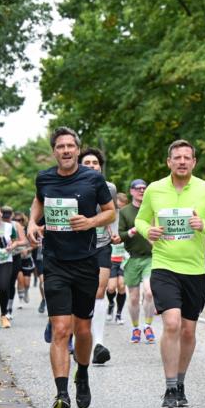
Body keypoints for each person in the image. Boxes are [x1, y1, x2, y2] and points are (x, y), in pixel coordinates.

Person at [135, 140, 205, 408]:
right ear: (169, 162)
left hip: (194, 271)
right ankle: (169, 387)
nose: (182, 161)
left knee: (188, 331)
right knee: (173, 324)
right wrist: (146, 231)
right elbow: (141, 220)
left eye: (187, 157)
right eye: (177, 157)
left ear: (194, 162)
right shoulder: (154, 190)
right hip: (164, 266)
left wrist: (204, 225)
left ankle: (180, 383)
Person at [27, 127, 115, 408]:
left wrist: (90, 222)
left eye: (70, 146)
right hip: (55, 262)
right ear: (54, 151)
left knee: (83, 329)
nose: (65, 150)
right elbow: (39, 200)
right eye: (60, 146)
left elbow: (110, 211)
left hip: (86, 262)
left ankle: (83, 373)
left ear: (78, 150)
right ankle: (61, 393)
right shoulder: (45, 178)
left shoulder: (93, 179)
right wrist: (31, 223)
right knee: (61, 329)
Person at [80, 147, 121, 365]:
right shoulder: (71, 186)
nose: (92, 166)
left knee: (99, 290)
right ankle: (76, 335)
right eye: (86, 163)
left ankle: (98, 344)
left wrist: (113, 232)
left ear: (100, 166)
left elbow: (113, 212)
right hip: (77, 246)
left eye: (95, 163)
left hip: (102, 243)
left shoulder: (110, 188)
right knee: (79, 293)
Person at [119, 179, 156, 344]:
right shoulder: (125, 212)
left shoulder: (152, 209)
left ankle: (148, 325)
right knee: (133, 298)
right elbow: (119, 235)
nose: (141, 191)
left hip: (151, 257)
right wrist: (132, 231)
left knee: (149, 292)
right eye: (138, 188)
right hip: (132, 258)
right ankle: (135, 328)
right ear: (131, 191)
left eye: (144, 188)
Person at [106, 192, 130, 325]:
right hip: (110, 257)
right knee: (110, 288)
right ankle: (110, 304)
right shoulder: (109, 216)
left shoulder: (128, 218)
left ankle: (119, 313)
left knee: (121, 286)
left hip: (124, 258)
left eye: (122, 207)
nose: (119, 209)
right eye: (117, 206)